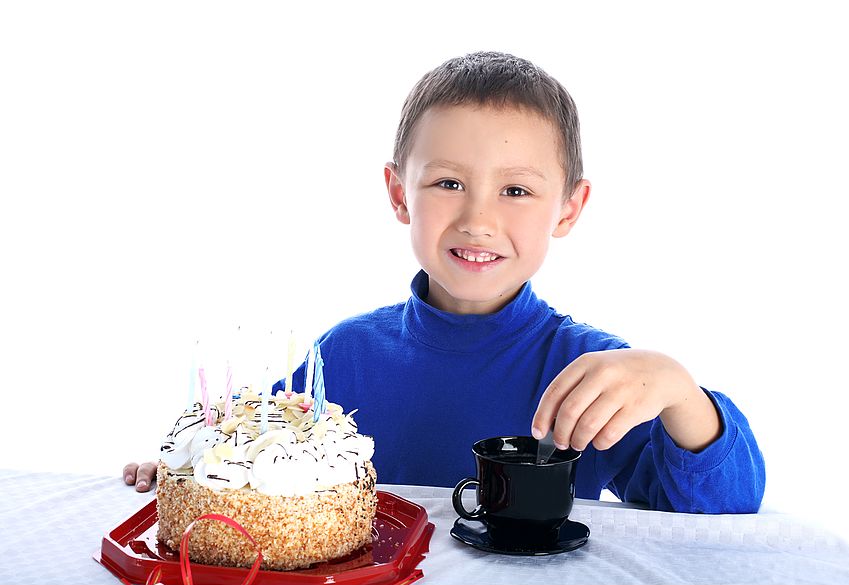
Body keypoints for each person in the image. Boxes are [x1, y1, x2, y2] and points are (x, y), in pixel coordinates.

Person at [125, 51, 765, 513]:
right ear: (399, 192)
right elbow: (252, 447)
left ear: (568, 208)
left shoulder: (590, 369)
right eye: (448, 183)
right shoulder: (346, 354)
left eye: (516, 190)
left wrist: (680, 392)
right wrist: (195, 471)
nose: (478, 219)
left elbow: (725, 507)